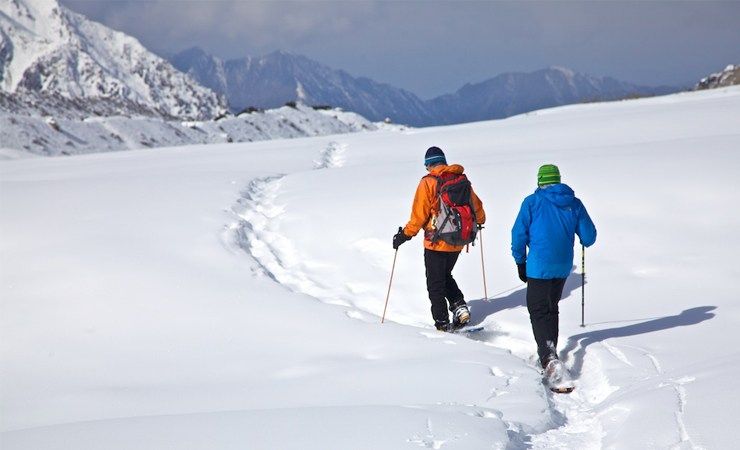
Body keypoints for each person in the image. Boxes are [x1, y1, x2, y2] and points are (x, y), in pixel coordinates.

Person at [511, 164, 596, 373]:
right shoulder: (574, 203)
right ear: (558, 180)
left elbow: (518, 234)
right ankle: (550, 350)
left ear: (540, 181)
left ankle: (548, 357)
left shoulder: (532, 202)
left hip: (539, 265)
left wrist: (520, 261)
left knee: (538, 310)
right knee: (551, 307)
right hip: (563, 265)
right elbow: (589, 237)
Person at [393, 146, 486, 331]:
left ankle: (442, 325)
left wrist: (404, 235)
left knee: (435, 284)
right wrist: (480, 221)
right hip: (459, 239)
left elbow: (419, 216)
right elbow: (477, 206)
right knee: (445, 276)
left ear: (428, 165)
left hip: (436, 242)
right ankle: (459, 307)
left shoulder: (428, 182)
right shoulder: (461, 179)